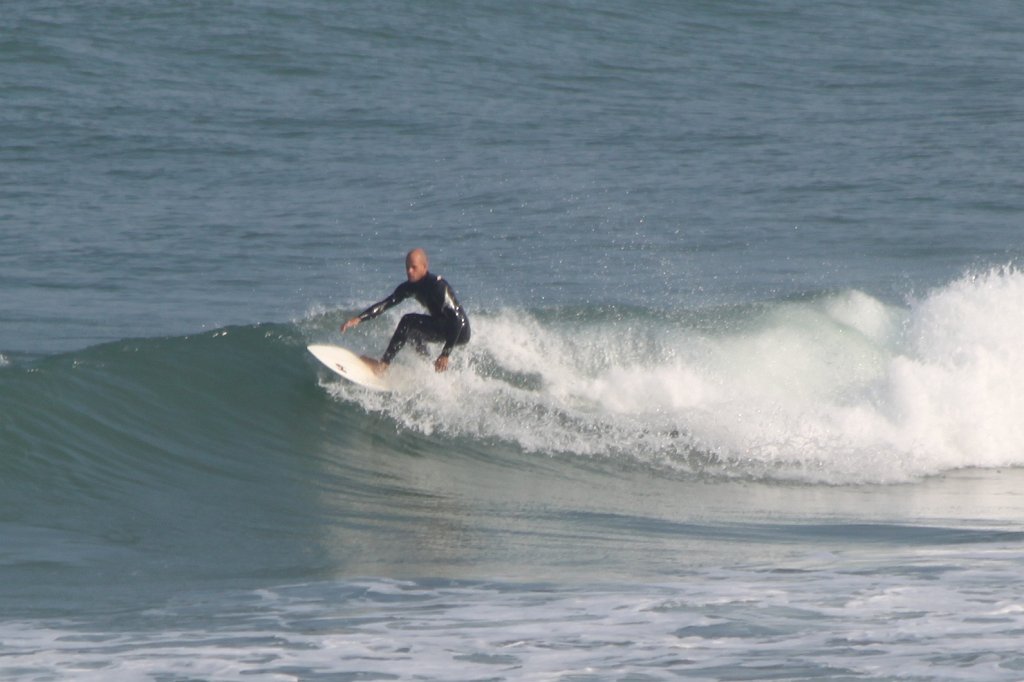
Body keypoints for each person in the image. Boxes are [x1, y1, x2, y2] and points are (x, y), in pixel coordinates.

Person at [341, 248, 470, 374]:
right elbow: (386, 304)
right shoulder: (409, 287)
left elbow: (456, 320)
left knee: (408, 321)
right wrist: (359, 318)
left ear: (424, 267)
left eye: (414, 267)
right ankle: (430, 369)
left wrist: (445, 354)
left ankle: (382, 366)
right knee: (412, 333)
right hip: (444, 325)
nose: (409, 271)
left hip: (459, 330)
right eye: (407, 267)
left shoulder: (438, 286)